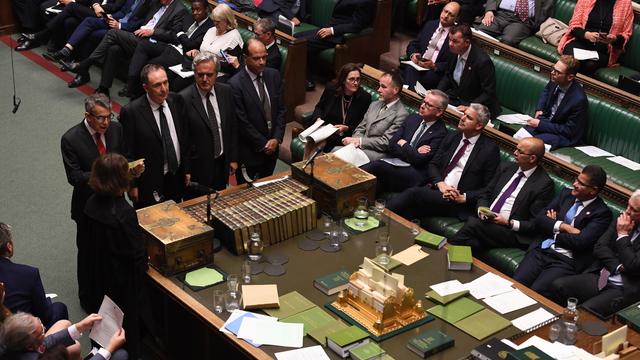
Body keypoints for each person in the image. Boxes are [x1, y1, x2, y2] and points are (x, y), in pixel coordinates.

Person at [60, 94, 127, 310]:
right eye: (100, 118)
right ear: (87, 116)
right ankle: (88, 298)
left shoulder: (116, 129)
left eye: (109, 117)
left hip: (116, 203)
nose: (106, 123)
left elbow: (123, 157)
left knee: (116, 249)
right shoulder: (71, 138)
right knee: (88, 253)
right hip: (88, 207)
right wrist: (106, 174)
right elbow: (74, 177)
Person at [512, 165, 612, 299]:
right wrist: (564, 227)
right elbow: (540, 219)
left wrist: (552, 227)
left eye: (581, 183)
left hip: (565, 261)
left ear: (593, 190)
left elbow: (580, 242)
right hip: (542, 250)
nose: (575, 184)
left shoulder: (602, 213)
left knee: (536, 293)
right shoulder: (566, 194)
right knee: (516, 284)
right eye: (576, 179)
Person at [82, 153, 148, 357]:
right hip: (123, 287)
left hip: (97, 280)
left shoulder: (90, 203)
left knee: (102, 332)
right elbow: (137, 255)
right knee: (127, 336)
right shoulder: (123, 212)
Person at [387, 103, 500, 221]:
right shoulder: (453, 136)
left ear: (478, 126)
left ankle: (381, 213)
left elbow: (488, 187)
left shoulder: (489, 150)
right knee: (409, 209)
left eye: (469, 118)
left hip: (457, 199)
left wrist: (463, 197)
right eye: (464, 114)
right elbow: (433, 164)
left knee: (413, 194)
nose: (462, 118)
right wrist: (440, 184)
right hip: (438, 188)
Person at [448, 137, 554, 251]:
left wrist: (508, 223)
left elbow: (535, 222)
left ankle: (445, 249)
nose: (515, 153)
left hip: (511, 231)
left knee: (473, 223)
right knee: (473, 243)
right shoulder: (506, 167)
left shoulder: (543, 184)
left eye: (520, 152)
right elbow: (486, 193)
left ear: (532, 158)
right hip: (487, 222)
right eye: (516, 149)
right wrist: (482, 209)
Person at [65, 0, 188, 95]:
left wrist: (153, 32)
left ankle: (84, 64)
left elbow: (173, 34)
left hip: (154, 43)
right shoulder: (155, 3)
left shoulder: (179, 9)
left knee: (112, 33)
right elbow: (137, 18)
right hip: (138, 36)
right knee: (114, 48)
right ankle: (104, 88)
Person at [552, 190, 640, 317]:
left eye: (634, 210)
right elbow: (600, 247)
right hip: (602, 276)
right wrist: (618, 267)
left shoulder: (623, 226)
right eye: (628, 205)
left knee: (586, 312)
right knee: (559, 286)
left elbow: (633, 264)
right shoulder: (623, 218)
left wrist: (622, 235)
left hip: (624, 288)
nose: (627, 211)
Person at [120, 64, 190, 208]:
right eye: (157, 85)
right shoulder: (131, 112)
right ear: (146, 88)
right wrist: (132, 184)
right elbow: (127, 152)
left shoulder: (176, 100)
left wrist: (187, 169)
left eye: (165, 82)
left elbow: (184, 138)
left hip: (175, 177)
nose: (164, 89)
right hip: (149, 181)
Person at [361, 90, 449, 194]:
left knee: (377, 165)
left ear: (439, 112)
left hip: (415, 173)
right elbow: (392, 145)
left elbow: (419, 161)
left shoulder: (441, 132)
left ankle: (347, 180)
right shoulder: (413, 118)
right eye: (423, 102)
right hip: (396, 162)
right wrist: (414, 152)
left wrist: (404, 144)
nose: (422, 106)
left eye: (428, 105)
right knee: (378, 181)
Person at [123, 0, 213, 98]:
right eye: (193, 9)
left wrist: (180, 34)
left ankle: (137, 94)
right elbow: (174, 32)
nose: (195, 12)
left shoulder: (210, 27)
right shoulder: (189, 17)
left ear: (206, 10)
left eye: (198, 10)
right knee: (144, 45)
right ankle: (130, 83)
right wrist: (180, 35)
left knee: (150, 66)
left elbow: (190, 44)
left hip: (181, 54)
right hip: (169, 45)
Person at [228, 39, 286, 183]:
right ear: (244, 58)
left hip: (273, 149)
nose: (261, 62)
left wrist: (276, 139)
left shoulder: (274, 75)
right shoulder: (235, 84)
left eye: (264, 57)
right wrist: (263, 144)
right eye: (256, 58)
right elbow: (242, 122)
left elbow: (281, 110)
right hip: (250, 153)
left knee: (267, 189)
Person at [179, 52, 237, 193]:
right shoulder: (183, 99)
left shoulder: (226, 92)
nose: (205, 79)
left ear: (217, 74)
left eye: (209, 75)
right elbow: (182, 140)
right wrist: (186, 170)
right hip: (198, 169)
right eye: (200, 75)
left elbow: (232, 127)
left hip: (221, 163)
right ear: (194, 74)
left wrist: (233, 158)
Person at [0, 223, 68, 329]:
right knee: (59, 307)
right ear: (9, 247)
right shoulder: (28, 274)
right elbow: (45, 316)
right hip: (22, 336)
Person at [295, 0, 375, 90]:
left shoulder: (367, 1)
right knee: (295, 37)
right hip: (329, 28)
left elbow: (356, 26)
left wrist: (332, 30)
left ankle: (307, 80)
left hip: (340, 35)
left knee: (300, 43)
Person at [44, 0, 148, 64]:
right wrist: (109, 16)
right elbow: (122, 12)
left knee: (89, 29)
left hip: (125, 29)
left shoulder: (150, 4)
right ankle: (67, 50)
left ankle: (80, 65)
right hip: (111, 19)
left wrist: (120, 25)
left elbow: (142, 23)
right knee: (86, 21)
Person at [341, 70, 409, 162]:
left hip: (377, 154)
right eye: (379, 85)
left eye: (383, 87)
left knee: (340, 157)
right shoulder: (374, 104)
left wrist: (360, 142)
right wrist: (356, 141)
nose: (378, 90)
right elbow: (360, 128)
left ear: (395, 90)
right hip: (359, 147)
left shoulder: (401, 114)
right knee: (335, 153)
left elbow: (386, 142)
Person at [524, 55, 588, 150]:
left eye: (557, 72)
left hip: (562, 134)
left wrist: (540, 125)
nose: (552, 73)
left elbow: (569, 130)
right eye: (553, 69)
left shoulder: (578, 100)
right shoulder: (555, 79)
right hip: (546, 121)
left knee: (532, 144)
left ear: (570, 77)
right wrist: (540, 109)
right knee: (522, 134)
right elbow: (546, 91)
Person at [0, 312, 127, 360]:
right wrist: (109, 349)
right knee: (121, 355)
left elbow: (46, 342)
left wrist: (79, 326)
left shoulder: (12, 343)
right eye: (42, 331)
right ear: (29, 347)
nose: (45, 330)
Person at [306, 63, 372, 152]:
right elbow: (320, 107)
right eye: (352, 79)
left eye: (358, 79)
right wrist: (318, 119)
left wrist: (347, 128)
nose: (356, 83)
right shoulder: (332, 89)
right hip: (326, 130)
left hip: (346, 135)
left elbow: (362, 124)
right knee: (314, 142)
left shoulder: (364, 98)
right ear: (343, 80)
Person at [437, 24, 500, 118]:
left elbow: (488, 93)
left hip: (476, 104)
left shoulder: (482, 61)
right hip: (457, 98)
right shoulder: (454, 51)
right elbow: (448, 76)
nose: (450, 44)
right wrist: (437, 92)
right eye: (449, 40)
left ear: (467, 42)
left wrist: (470, 107)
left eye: (455, 41)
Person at [558, 0, 633, 75]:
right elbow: (574, 24)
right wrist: (586, 35)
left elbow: (626, 34)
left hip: (602, 50)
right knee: (572, 60)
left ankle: (573, 85)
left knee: (590, 65)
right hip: (580, 42)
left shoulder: (625, 3)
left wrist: (613, 39)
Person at [16, 0, 125, 52]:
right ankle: (46, 37)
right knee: (68, 16)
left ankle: (43, 35)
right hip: (92, 8)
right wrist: (95, 4)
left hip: (104, 15)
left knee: (72, 6)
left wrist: (101, 8)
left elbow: (116, 6)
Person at [403, 2, 460, 91]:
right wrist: (413, 55)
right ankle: (412, 95)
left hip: (434, 71)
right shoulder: (430, 24)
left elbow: (453, 62)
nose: (445, 16)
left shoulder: (456, 36)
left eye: (451, 15)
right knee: (411, 68)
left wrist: (434, 65)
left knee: (413, 76)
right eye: (445, 11)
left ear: (456, 18)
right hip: (418, 64)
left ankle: (409, 96)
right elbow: (414, 44)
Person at [186, 4, 244, 80]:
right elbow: (203, 50)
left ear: (227, 20)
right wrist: (197, 52)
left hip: (218, 76)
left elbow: (231, 67)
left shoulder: (234, 37)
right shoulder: (211, 30)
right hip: (199, 68)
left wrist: (210, 61)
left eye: (218, 21)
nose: (215, 24)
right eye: (214, 21)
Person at [475, 0, 553, 46]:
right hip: (499, 15)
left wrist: (534, 26)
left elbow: (545, 11)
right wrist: (489, 11)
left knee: (508, 40)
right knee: (480, 32)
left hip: (522, 21)